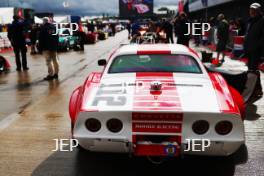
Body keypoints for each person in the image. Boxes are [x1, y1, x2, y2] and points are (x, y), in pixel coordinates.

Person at [243, 3, 264, 103]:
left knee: (253, 71)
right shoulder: (250, 21)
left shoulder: (262, 20)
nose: (252, 11)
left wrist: (256, 47)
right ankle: (256, 90)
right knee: (251, 71)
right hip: (250, 50)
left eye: (254, 10)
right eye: (251, 10)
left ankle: (254, 91)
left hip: (256, 51)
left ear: (259, 11)